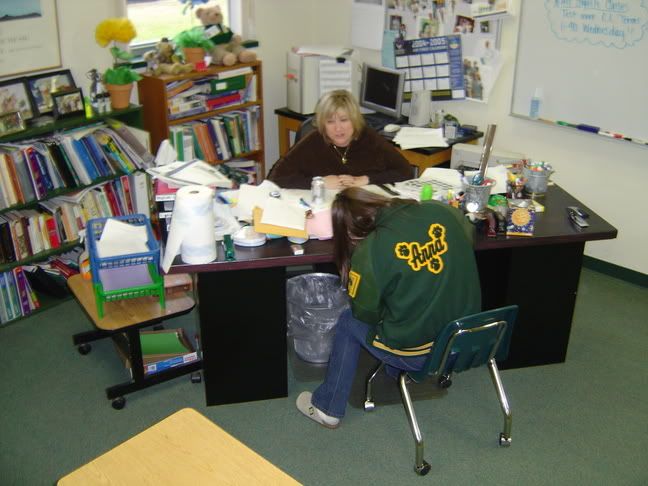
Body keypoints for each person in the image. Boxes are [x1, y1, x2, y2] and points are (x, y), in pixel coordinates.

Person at [296, 188, 482, 428]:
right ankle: (395, 371)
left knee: (348, 322)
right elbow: (469, 235)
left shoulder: (371, 249)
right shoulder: (440, 209)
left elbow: (365, 313)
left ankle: (327, 408)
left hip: (420, 356)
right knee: (422, 294)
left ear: (351, 231)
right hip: (467, 342)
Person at [267, 90, 413, 190]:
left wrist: (364, 179)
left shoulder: (368, 138)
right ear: (322, 124)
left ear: (354, 120)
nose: (338, 128)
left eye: (344, 120)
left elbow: (405, 171)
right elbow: (275, 177)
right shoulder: (314, 140)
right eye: (330, 122)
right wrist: (320, 182)